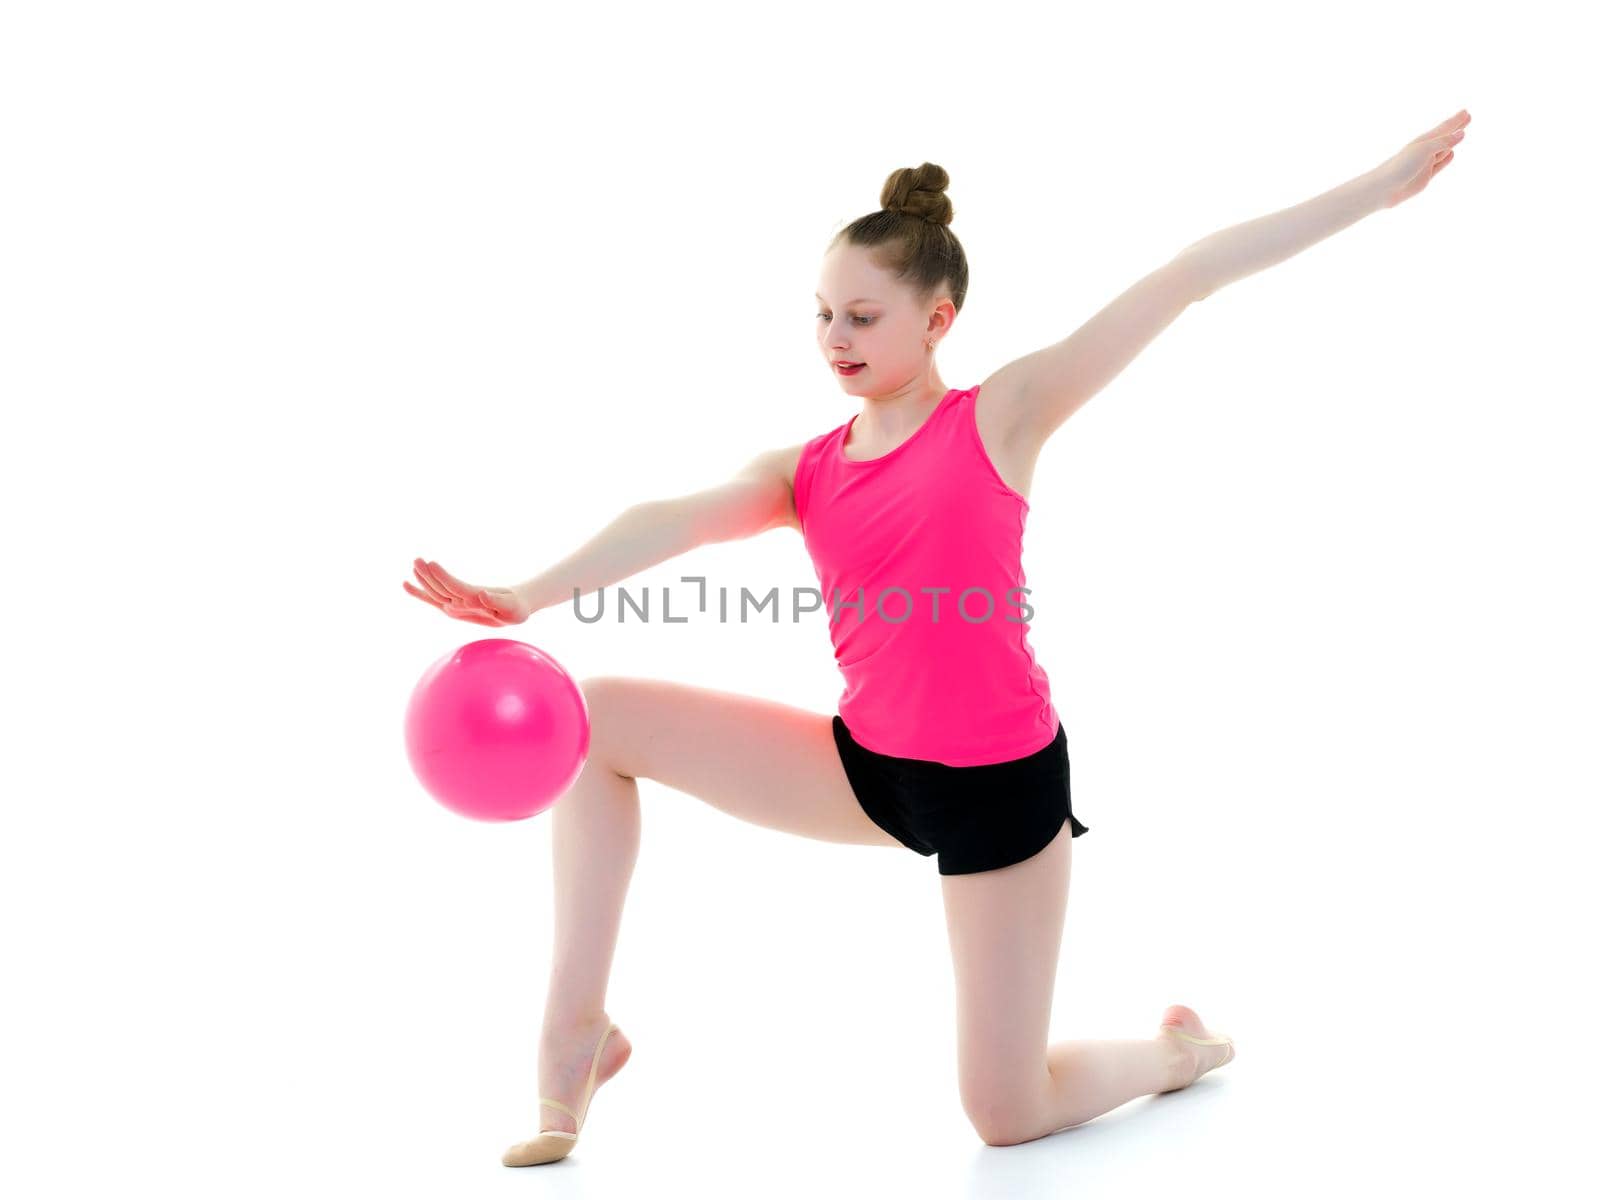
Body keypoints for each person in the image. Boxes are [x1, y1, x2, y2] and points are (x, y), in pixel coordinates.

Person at [403, 111, 1470, 1163]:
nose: (835, 340)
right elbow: (672, 518)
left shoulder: (1003, 416)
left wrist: (1371, 192)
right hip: (864, 771)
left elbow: (1185, 276)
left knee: (1005, 1115)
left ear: (937, 319)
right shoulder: (804, 469)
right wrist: (532, 592)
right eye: (822, 315)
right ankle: (574, 1035)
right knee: (598, 723)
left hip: (999, 790)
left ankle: (1174, 1055)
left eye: (862, 318)